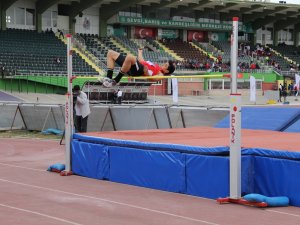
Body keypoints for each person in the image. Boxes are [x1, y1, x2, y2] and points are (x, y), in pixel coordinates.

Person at [101, 49, 175, 87]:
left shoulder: (161, 74)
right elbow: (142, 61)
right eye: (165, 64)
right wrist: (140, 52)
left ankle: (116, 80)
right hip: (137, 66)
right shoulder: (156, 66)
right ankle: (108, 79)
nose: (163, 64)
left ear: (167, 71)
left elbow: (153, 79)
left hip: (139, 71)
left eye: (165, 65)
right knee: (110, 53)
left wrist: (146, 73)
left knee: (130, 56)